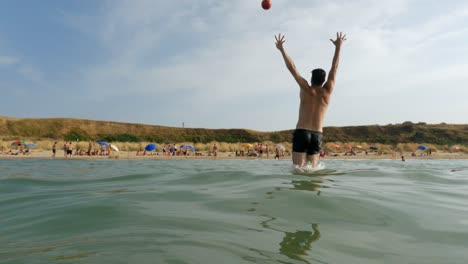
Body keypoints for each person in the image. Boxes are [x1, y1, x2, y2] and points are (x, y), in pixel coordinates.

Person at [275, 32, 346, 169]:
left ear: (312, 78)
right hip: (317, 135)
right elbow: (334, 68)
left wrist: (282, 50)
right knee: (313, 171)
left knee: (298, 170)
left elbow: (293, 68)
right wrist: (338, 47)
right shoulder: (328, 91)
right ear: (324, 80)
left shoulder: (306, 88)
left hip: (302, 132)